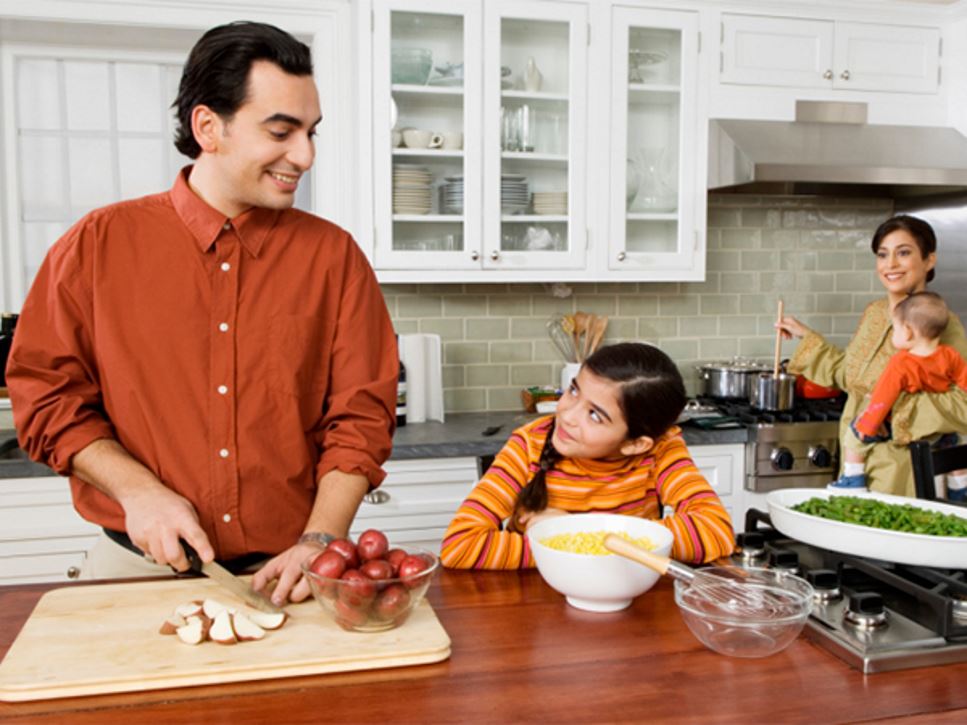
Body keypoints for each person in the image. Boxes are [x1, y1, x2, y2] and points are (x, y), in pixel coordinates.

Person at [5, 21, 398, 605]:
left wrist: (321, 540)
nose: (305, 155)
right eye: (282, 131)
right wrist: (138, 491)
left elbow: (361, 417)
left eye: (312, 132)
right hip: (134, 570)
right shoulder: (95, 245)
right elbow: (46, 398)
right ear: (208, 127)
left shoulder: (333, 258)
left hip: (291, 574)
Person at [440, 343, 735, 569]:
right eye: (573, 390)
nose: (567, 415)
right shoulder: (528, 445)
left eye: (594, 415)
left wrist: (565, 532)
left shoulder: (661, 448)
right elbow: (460, 546)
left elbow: (715, 530)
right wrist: (611, 545)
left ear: (636, 444)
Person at [777, 215, 967, 498]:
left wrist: (890, 415)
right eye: (882, 254)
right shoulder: (875, 313)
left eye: (903, 252)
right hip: (855, 466)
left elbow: (961, 405)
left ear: (929, 260)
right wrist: (806, 336)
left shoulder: (940, 325)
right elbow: (851, 376)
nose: (890, 264)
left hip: (904, 473)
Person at [830, 292, 967, 498]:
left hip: (899, 425)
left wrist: (868, 425)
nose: (893, 333)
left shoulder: (901, 363)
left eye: (895, 329)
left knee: (853, 435)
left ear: (909, 332)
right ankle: (960, 488)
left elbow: (883, 399)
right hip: (937, 431)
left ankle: (852, 480)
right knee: (955, 444)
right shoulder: (949, 355)